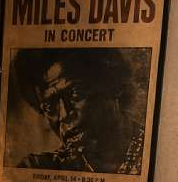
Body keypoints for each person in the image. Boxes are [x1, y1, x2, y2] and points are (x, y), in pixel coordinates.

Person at [12, 49, 145, 173]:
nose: (64, 115)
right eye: (49, 106)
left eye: (75, 94)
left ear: (113, 87)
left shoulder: (151, 152)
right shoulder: (40, 168)